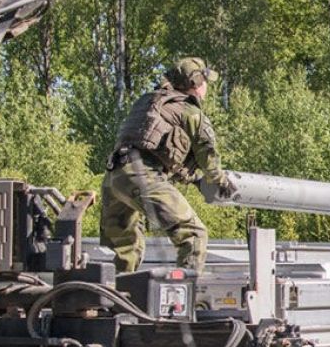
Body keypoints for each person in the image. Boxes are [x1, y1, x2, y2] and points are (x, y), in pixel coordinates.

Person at [100, 57, 234, 273]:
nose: (207, 87)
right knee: (194, 234)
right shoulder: (190, 112)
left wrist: (193, 179)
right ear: (196, 83)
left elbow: (157, 148)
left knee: (127, 248)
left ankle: (119, 300)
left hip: (115, 176)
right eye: (205, 82)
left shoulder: (149, 102)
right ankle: (186, 298)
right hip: (142, 175)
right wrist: (219, 180)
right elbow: (207, 153)